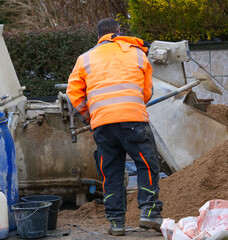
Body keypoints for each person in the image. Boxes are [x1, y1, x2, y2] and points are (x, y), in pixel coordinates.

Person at [66, 18, 163, 236]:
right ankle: (149, 213)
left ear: (98, 37)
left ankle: (116, 223)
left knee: (111, 173)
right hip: (132, 120)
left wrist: (88, 114)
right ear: (119, 32)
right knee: (147, 164)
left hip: (102, 124)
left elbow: (73, 93)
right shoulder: (137, 53)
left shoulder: (85, 58)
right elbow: (147, 92)